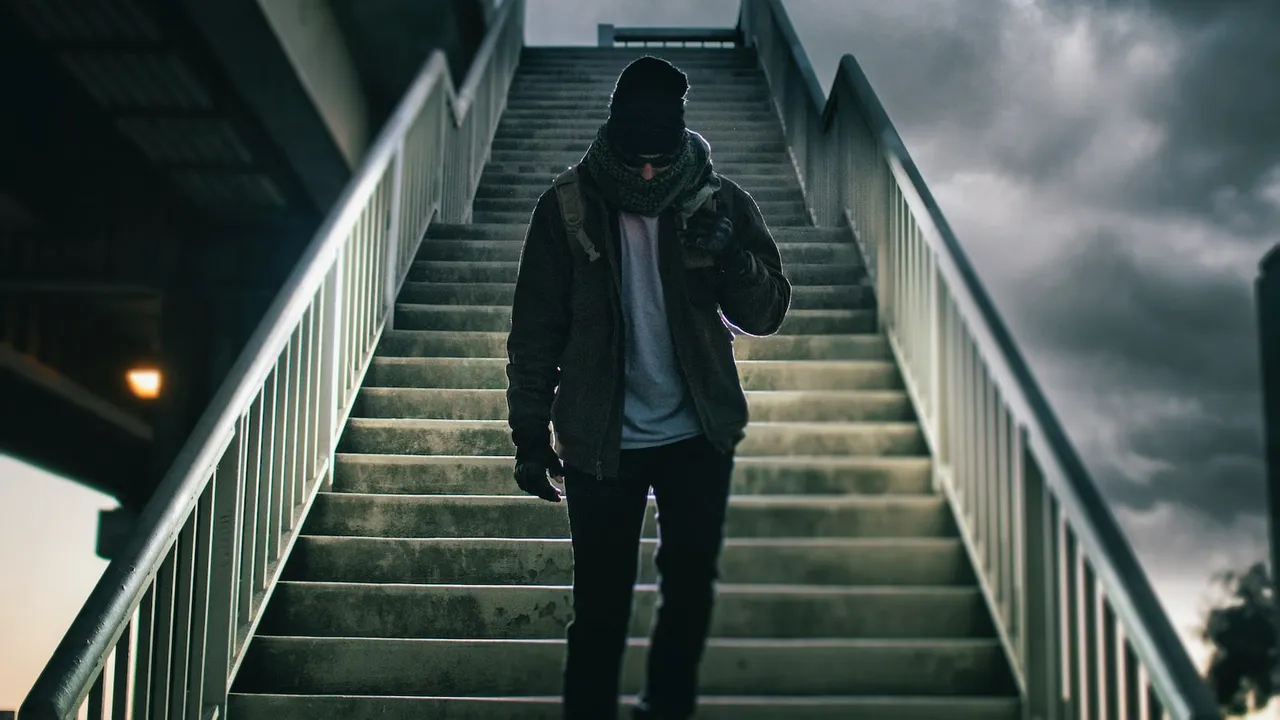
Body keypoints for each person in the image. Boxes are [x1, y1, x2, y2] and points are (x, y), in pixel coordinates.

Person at [504, 55, 792, 720]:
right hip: (601, 440)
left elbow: (768, 312)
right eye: (637, 160)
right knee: (600, 611)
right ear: (615, 135)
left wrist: (730, 257)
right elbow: (535, 331)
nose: (647, 176)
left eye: (659, 160)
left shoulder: (718, 200)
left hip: (698, 434)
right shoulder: (568, 207)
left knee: (689, 596)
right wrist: (527, 434)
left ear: (677, 140)